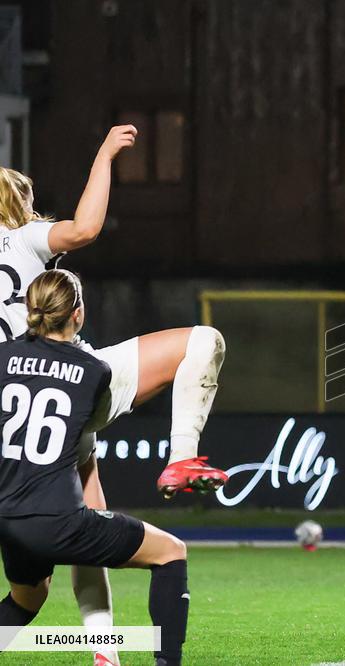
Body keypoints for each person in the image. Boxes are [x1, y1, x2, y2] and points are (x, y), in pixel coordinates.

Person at [0, 126, 227, 664]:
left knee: (44, 573)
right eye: (29, 201)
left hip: (13, 406)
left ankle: (105, 650)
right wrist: (103, 155)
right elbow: (84, 228)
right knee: (202, 342)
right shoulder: (21, 236)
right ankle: (181, 457)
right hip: (66, 381)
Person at [0, 269, 190, 666]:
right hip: (58, 520)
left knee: (28, 597)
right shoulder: (94, 370)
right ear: (78, 314)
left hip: (8, 518)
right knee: (171, 552)